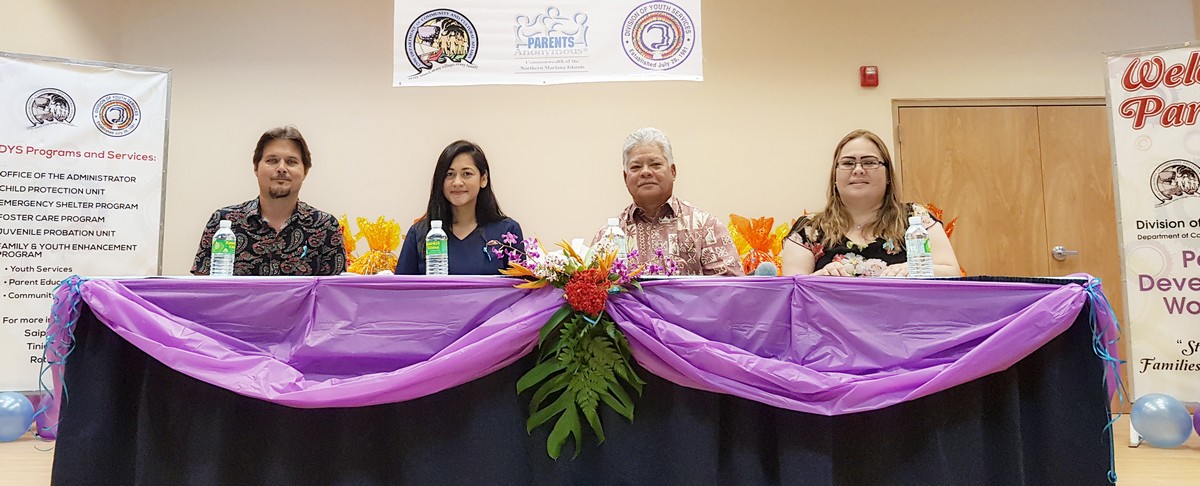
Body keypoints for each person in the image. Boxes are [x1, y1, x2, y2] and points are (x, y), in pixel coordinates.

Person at [781, 129, 960, 277]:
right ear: (835, 176)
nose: (858, 170)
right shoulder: (809, 230)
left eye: (869, 162)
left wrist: (912, 270)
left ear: (888, 174)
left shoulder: (916, 218)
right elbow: (792, 294)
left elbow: (953, 273)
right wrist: (818, 279)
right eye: (848, 163)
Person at [191, 126, 346, 276]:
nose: (281, 168)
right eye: (272, 160)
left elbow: (334, 295)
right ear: (256, 168)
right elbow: (203, 292)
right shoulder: (223, 221)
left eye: (291, 162)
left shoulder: (325, 227)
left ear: (305, 171)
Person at [592, 127, 743, 276]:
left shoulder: (706, 227)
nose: (645, 172)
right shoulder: (608, 236)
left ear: (673, 171)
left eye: (655, 164)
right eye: (636, 167)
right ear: (625, 178)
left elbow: (730, 292)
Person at [396, 140, 523, 275]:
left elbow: (521, 292)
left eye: (466, 174)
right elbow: (401, 291)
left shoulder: (507, 232)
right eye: (449, 174)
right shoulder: (420, 233)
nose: (457, 182)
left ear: (483, 179)